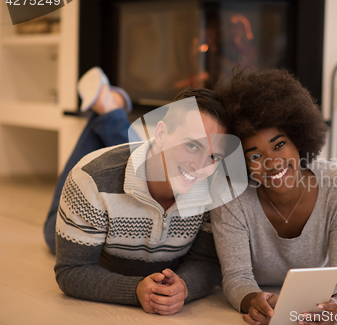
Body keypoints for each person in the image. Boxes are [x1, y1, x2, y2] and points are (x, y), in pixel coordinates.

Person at [44, 67, 226, 315]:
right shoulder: (90, 181)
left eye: (214, 156)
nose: (201, 166)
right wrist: (134, 290)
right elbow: (72, 269)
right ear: (160, 132)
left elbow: (206, 262)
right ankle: (108, 109)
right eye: (192, 146)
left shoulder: (214, 187)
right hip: (92, 206)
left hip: (135, 165)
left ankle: (108, 109)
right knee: (51, 231)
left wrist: (185, 286)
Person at [211, 68, 337, 325]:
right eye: (255, 156)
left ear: (298, 139)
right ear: (242, 164)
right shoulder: (230, 194)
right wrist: (253, 300)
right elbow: (236, 277)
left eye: (279, 144)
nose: (272, 162)